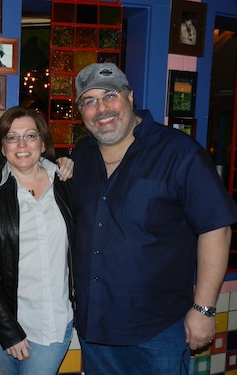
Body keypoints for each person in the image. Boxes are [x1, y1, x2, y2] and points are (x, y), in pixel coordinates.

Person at [70, 62, 237, 374]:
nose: (101, 108)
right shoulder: (81, 155)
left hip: (158, 329)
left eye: (110, 95)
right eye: (89, 101)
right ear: (81, 111)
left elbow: (216, 229)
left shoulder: (178, 152)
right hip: (96, 328)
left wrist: (203, 308)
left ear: (130, 98)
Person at [0, 106, 75, 375]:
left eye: (30, 135)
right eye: (12, 137)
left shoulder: (67, 184)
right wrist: (8, 330)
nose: (22, 144)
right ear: (2, 147)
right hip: (4, 317)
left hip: (55, 317)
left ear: (43, 142)